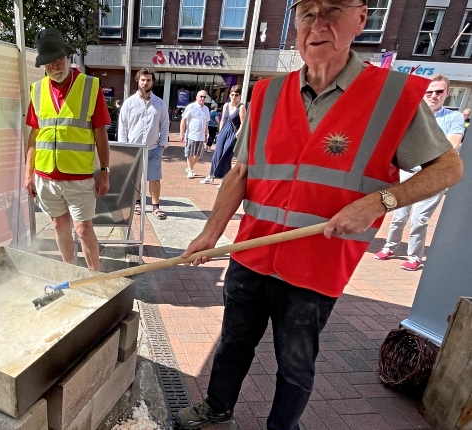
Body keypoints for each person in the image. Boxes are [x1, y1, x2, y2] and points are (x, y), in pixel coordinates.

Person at [172, 0, 463, 428]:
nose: (317, 24)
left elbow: (449, 168)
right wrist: (211, 232)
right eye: (307, 12)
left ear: (361, 19)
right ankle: (216, 408)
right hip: (251, 253)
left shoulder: (393, 95)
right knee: (233, 343)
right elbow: (241, 170)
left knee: (295, 361)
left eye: (333, 10)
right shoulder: (266, 93)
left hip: (317, 266)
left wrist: (380, 201)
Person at [24, 28, 111, 271]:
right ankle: (70, 272)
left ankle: (95, 278)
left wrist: (104, 170)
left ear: (67, 57)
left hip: (79, 177)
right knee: (59, 225)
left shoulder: (90, 86)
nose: (55, 66)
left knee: (83, 230)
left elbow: (100, 133)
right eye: (49, 63)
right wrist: (27, 172)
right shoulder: (37, 89)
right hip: (46, 177)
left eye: (58, 60)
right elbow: (34, 134)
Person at [375, 74, 465, 271]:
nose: (434, 96)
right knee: (398, 215)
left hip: (434, 177)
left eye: (439, 91)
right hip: (408, 172)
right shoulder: (413, 115)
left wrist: (421, 153)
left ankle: (414, 257)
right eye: (429, 92)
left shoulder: (454, 117)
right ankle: (390, 246)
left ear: (447, 93)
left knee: (419, 219)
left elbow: (452, 145)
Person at [118, 67, 170, 220]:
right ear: (138, 81)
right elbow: (123, 126)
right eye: (143, 80)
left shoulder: (159, 104)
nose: (145, 83)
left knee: (154, 178)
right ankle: (138, 203)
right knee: (137, 177)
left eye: (148, 80)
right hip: (134, 148)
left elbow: (165, 124)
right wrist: (124, 147)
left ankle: (156, 207)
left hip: (153, 148)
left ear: (152, 82)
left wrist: (162, 144)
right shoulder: (129, 103)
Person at [199, 86, 246, 185]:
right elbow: (223, 120)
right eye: (232, 94)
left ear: (239, 95)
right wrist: (220, 131)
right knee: (217, 154)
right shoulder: (226, 105)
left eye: (236, 95)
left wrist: (237, 134)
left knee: (226, 155)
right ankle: (210, 176)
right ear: (229, 95)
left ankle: (225, 180)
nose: (233, 97)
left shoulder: (241, 107)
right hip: (223, 132)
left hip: (233, 133)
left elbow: (243, 123)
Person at [180, 90, 209, 179]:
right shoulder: (191, 107)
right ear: (197, 97)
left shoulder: (206, 109)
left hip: (200, 137)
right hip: (191, 135)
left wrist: (205, 135)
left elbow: (206, 123)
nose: (202, 98)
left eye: (204, 97)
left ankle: (189, 168)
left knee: (198, 155)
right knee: (190, 153)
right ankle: (190, 170)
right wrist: (182, 133)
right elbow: (183, 120)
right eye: (201, 96)